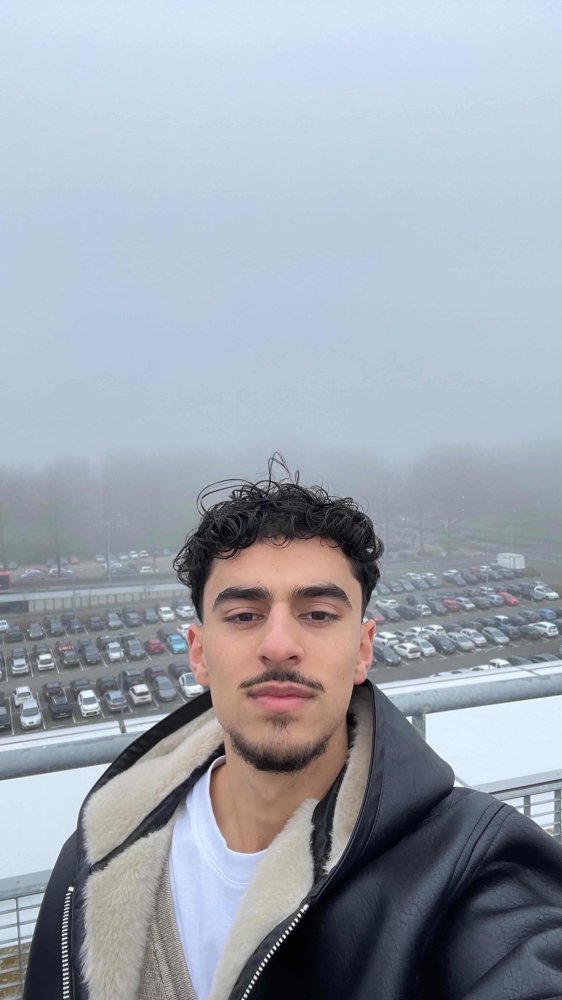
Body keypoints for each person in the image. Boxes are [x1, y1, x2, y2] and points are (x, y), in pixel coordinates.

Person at [25, 463, 562, 1000]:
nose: (279, 645)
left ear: (363, 650)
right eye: (243, 615)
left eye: (318, 614)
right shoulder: (94, 859)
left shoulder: (468, 865)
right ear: (199, 654)